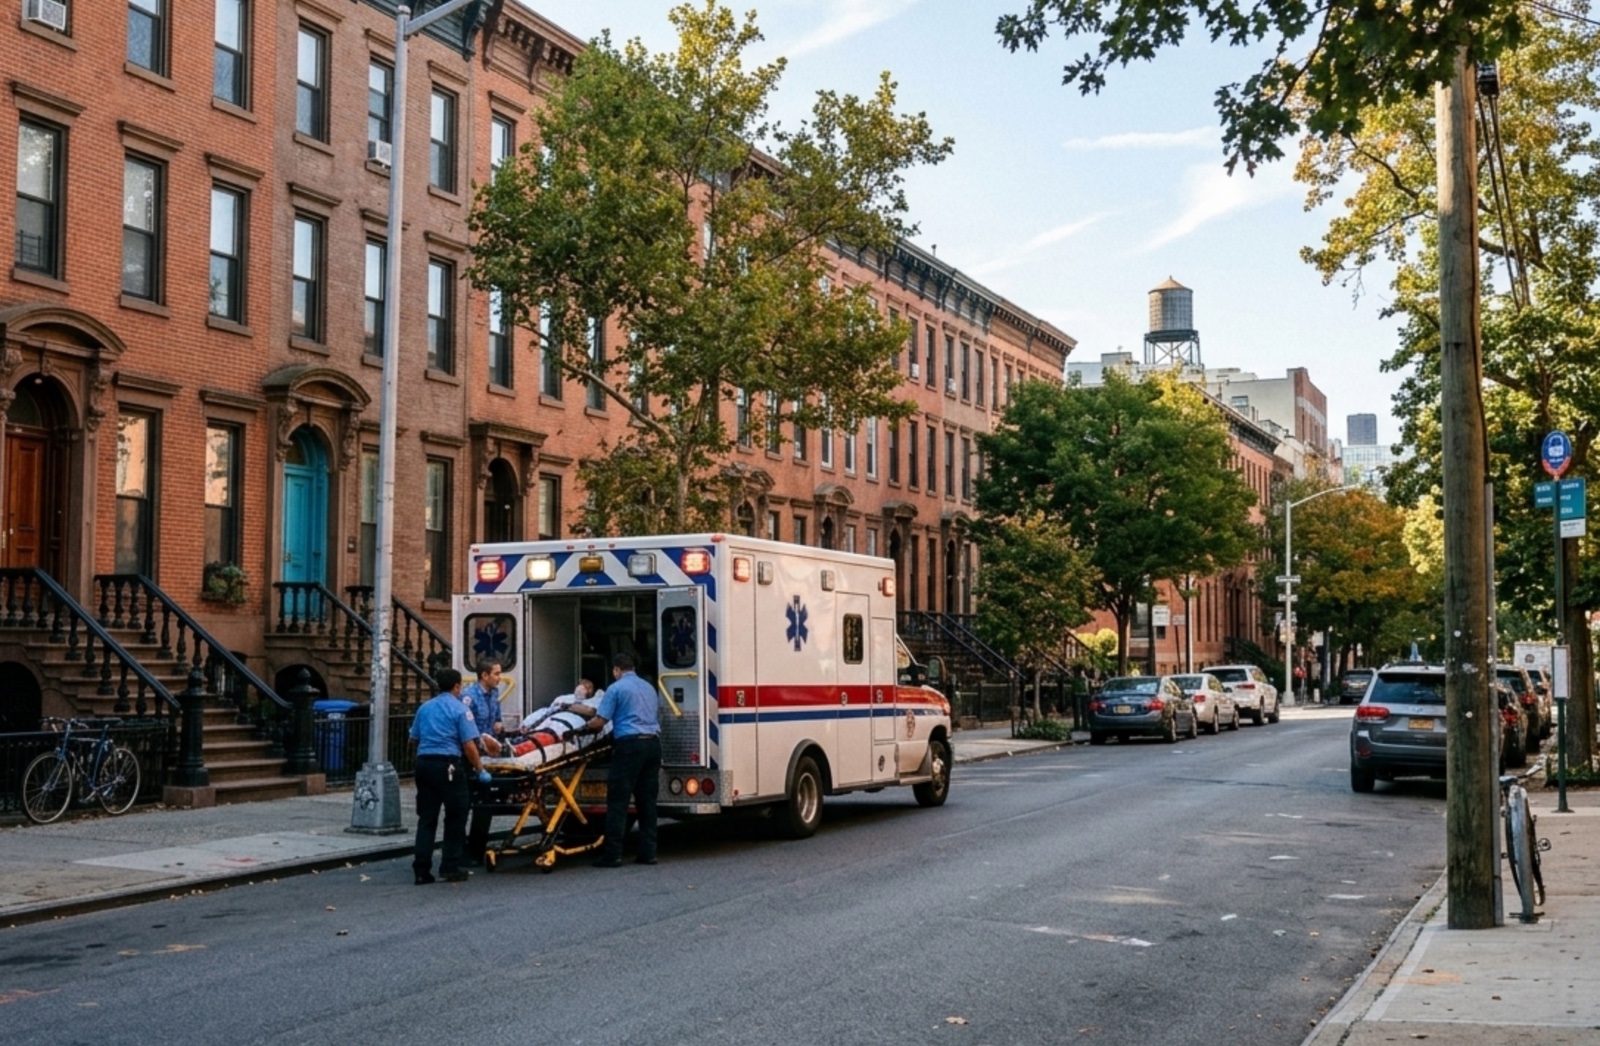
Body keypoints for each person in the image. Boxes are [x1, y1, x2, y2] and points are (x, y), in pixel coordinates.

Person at [573, 652, 662, 867]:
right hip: (652, 745)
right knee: (647, 801)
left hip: (630, 745)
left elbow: (600, 721)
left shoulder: (616, 688)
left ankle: (612, 854)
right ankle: (648, 853)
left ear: (616, 670)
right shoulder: (649, 687)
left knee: (618, 800)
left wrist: (582, 728)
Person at [408, 668, 488, 885]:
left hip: (424, 764)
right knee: (456, 816)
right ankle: (450, 867)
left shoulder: (424, 708)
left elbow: (413, 738)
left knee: (426, 819)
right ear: (457, 686)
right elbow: (469, 745)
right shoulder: (461, 710)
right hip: (449, 766)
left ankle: (421, 871)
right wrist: (480, 769)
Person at [462, 659, 507, 864]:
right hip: (472, 755)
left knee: (485, 802)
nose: (500, 677)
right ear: (484, 675)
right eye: (496, 674)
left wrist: (498, 724)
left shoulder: (494, 693)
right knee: (469, 802)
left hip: (488, 754)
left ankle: (477, 848)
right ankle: (464, 850)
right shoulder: (469, 697)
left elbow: (496, 717)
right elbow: (466, 730)